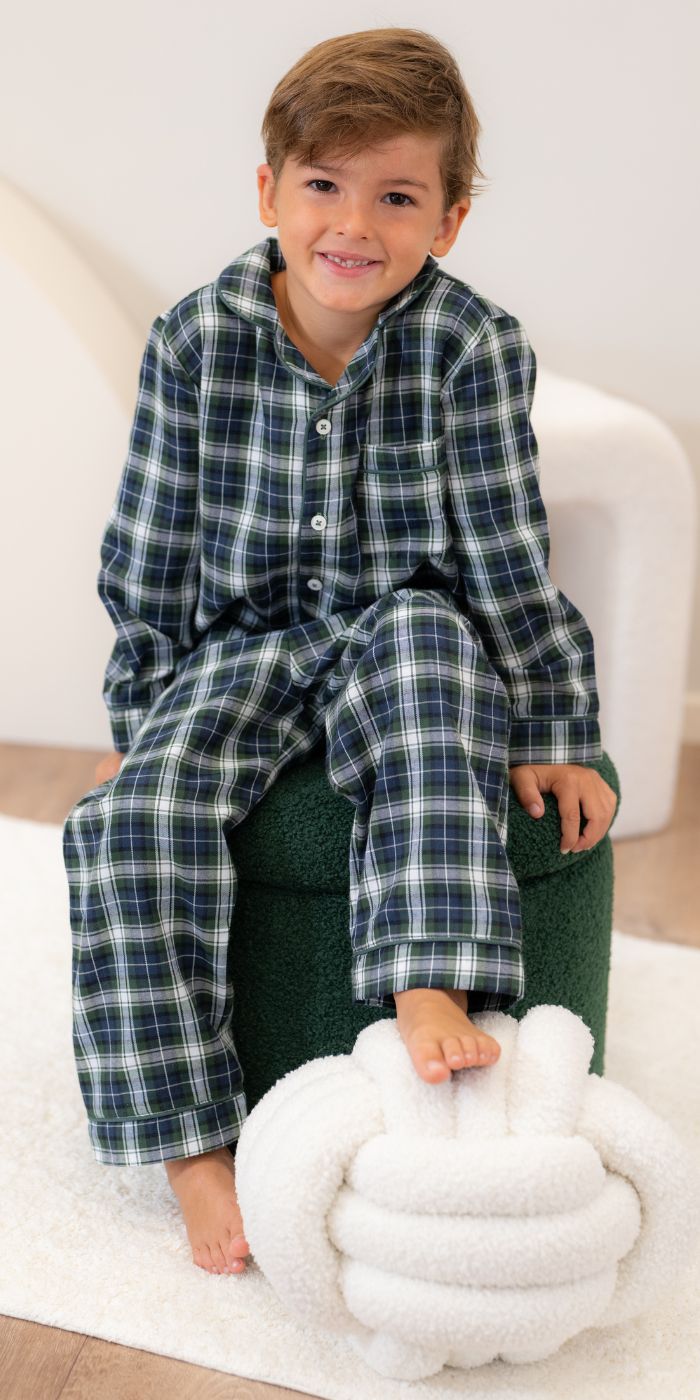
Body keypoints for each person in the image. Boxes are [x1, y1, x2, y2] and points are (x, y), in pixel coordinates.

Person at [62, 27, 618, 1279]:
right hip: (243, 641)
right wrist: (141, 722)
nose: (353, 225)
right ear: (269, 191)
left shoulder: (471, 346)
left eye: (397, 197)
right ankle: (189, 1137)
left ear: (450, 219)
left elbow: (506, 554)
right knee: (128, 821)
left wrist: (555, 725)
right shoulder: (194, 340)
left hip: (402, 621)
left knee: (430, 675)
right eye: (324, 185)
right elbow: (148, 551)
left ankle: (429, 976)